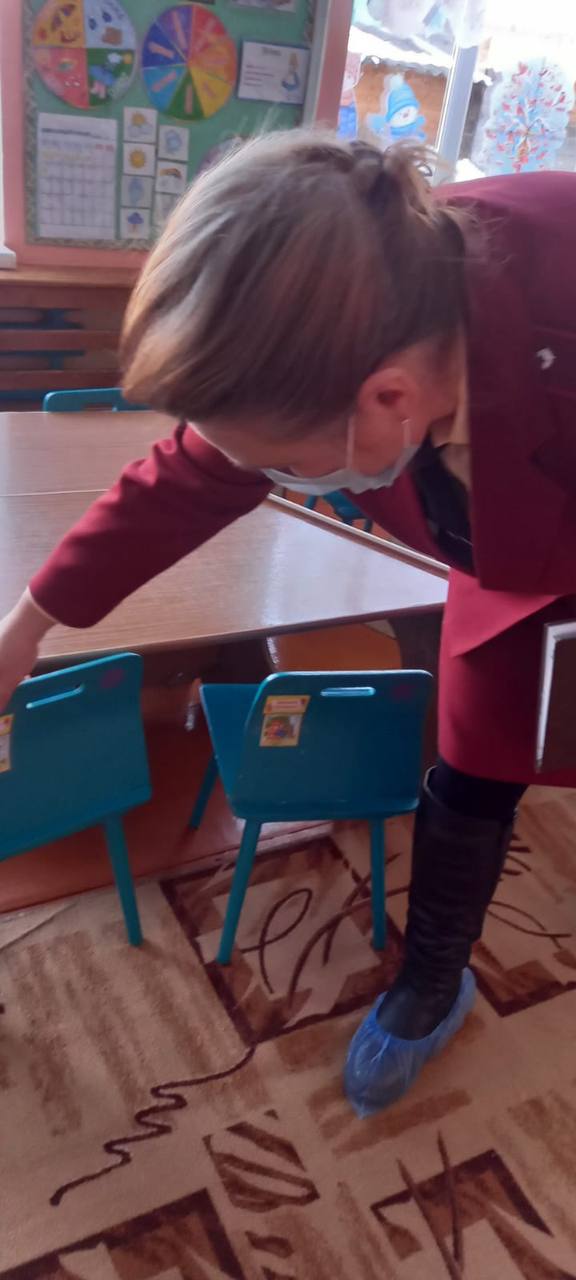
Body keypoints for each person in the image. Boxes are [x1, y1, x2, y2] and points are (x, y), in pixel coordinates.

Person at [2, 131, 576, 1116]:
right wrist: (23, 629)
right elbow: (185, 479)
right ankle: (430, 980)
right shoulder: (336, 328)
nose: (260, 475)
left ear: (391, 400)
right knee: (473, 766)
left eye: (278, 462)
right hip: (501, 574)